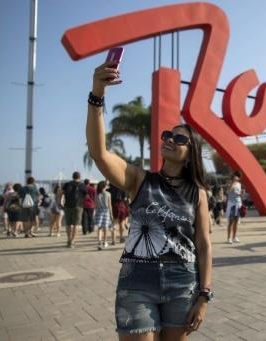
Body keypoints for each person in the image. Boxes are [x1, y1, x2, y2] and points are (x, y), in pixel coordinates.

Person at [88, 62, 212, 339]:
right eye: (167, 135)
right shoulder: (139, 180)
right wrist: (98, 93)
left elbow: (203, 244)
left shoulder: (198, 193)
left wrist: (204, 296)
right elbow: (99, 153)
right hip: (137, 284)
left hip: (183, 284)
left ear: (191, 152)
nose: (169, 139)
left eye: (179, 138)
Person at [62, 171, 88, 248]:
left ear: (72, 177)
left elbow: (61, 193)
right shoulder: (82, 185)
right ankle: (73, 241)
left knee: (68, 224)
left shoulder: (67, 184)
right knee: (76, 224)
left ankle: (68, 240)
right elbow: (86, 196)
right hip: (78, 206)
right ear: (79, 177)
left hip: (67, 206)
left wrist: (61, 202)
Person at [94, 181, 114, 250]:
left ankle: (99, 242)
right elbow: (109, 205)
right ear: (104, 186)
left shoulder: (97, 194)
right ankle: (105, 241)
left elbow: (96, 204)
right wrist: (111, 214)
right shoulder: (108, 194)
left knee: (99, 228)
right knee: (106, 228)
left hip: (99, 211)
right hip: (106, 211)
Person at [225, 171, 242, 244]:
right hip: (232, 204)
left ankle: (234, 237)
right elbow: (228, 191)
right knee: (231, 222)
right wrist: (232, 184)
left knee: (236, 221)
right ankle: (229, 238)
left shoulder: (239, 184)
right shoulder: (230, 183)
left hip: (238, 203)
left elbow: (239, 193)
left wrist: (240, 194)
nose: (237, 177)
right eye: (235, 176)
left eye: (237, 176)